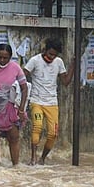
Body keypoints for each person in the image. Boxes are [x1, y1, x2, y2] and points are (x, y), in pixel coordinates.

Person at [22, 37, 74, 165]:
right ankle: (33, 158)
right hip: (36, 101)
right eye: (50, 54)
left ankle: (42, 159)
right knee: (37, 126)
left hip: (52, 103)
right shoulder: (35, 60)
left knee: (53, 133)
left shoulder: (59, 62)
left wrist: (73, 65)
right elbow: (23, 75)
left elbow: (65, 81)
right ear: (45, 50)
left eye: (54, 55)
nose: (51, 57)